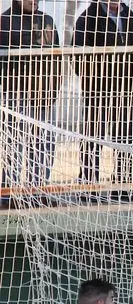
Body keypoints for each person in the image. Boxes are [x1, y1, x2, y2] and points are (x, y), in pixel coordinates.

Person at [73, 0, 133, 191]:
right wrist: (91, 79)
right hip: (98, 89)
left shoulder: (130, 16)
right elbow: (77, 53)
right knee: (93, 135)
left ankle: (123, 181)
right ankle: (88, 182)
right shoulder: (88, 18)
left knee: (125, 135)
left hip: (125, 89)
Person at [0, 0, 62, 205]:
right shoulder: (5, 22)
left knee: (43, 145)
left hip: (44, 95)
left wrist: (54, 89)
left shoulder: (47, 20)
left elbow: (57, 58)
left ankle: (39, 189)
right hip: (16, 95)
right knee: (13, 144)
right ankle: (9, 192)